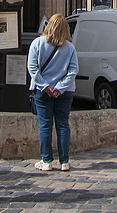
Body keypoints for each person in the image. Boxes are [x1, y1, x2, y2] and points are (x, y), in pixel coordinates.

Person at [27, 13, 78, 172]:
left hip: (43, 91)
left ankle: (46, 160)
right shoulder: (69, 47)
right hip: (65, 92)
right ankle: (64, 162)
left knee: (45, 125)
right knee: (63, 125)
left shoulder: (37, 43)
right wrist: (60, 87)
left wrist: (45, 86)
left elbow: (32, 68)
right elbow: (73, 70)